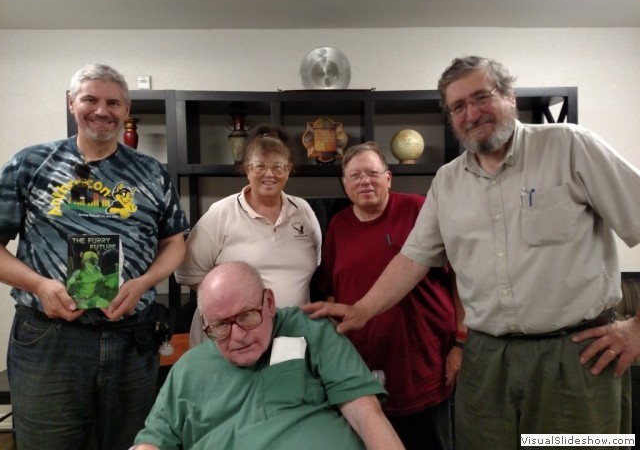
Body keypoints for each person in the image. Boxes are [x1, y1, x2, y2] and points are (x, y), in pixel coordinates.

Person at [304, 55, 640, 448]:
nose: (472, 113)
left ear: (509, 96)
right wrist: (362, 310)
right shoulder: (447, 182)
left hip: (575, 357)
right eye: (458, 106)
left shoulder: (569, 146)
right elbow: (413, 258)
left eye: (482, 97)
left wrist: (637, 328)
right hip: (486, 361)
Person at [0, 63, 189, 450]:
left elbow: (175, 242)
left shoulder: (151, 172)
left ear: (126, 109)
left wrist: (143, 283)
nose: (102, 110)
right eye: (90, 99)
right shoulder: (30, 165)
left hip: (131, 340)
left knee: (133, 443)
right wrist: (38, 284)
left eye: (113, 102)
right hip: (50, 339)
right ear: (73, 103)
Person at [132, 261, 405, 450]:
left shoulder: (309, 328)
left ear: (270, 303)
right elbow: (154, 438)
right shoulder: (190, 368)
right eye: (220, 326)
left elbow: (365, 412)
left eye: (247, 316)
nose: (238, 336)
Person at [317, 141, 463, 450]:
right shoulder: (338, 226)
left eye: (372, 172)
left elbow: (461, 280)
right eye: (355, 175)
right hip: (364, 373)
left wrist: (461, 344)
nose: (364, 181)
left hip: (427, 367)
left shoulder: (419, 210)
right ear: (344, 184)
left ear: (389, 178)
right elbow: (331, 290)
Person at [174, 124, 322, 346]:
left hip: (290, 339)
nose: (269, 174)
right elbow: (187, 274)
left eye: (278, 166)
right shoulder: (221, 213)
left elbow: (315, 263)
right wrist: (236, 306)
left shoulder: (303, 211)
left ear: (289, 169)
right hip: (232, 339)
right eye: (260, 165)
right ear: (247, 168)